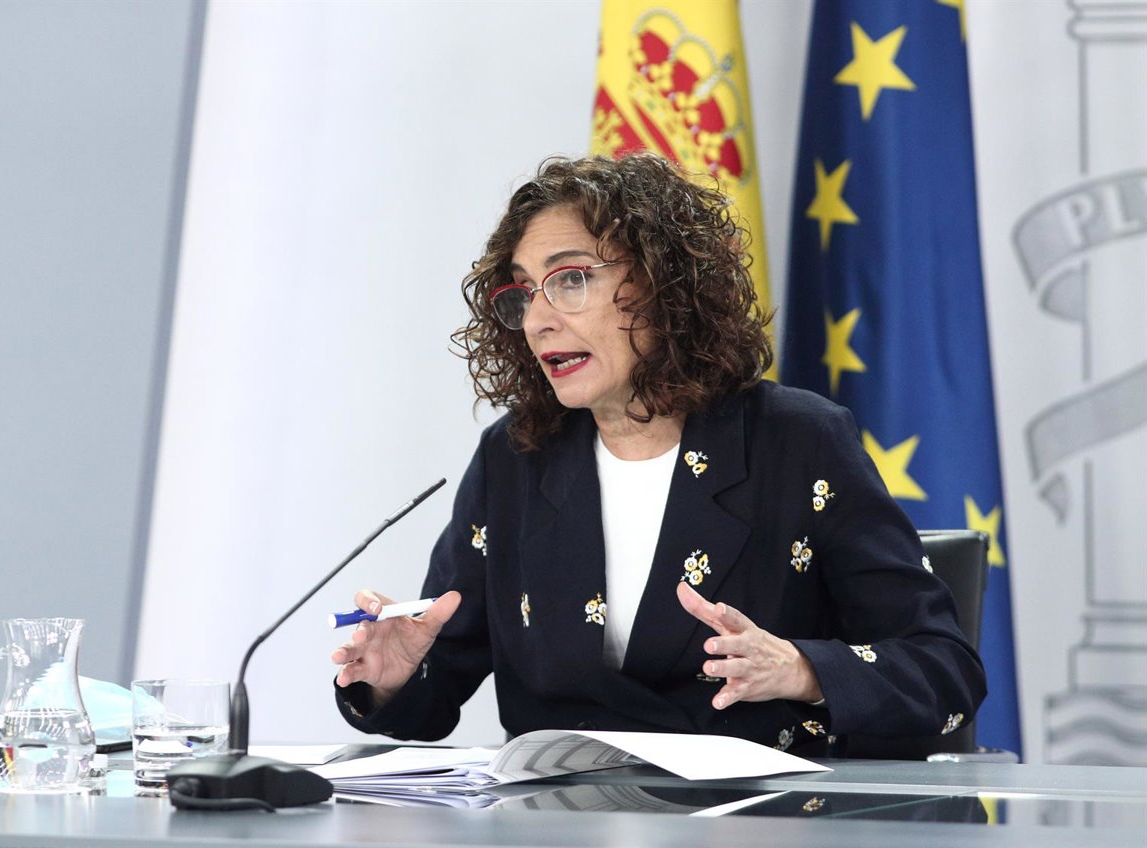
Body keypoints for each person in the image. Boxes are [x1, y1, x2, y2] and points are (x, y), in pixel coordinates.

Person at [331, 153, 985, 754]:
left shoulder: (798, 442)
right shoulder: (516, 457)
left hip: (753, 818)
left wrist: (801, 669)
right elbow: (434, 691)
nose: (537, 320)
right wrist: (393, 678)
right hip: (554, 819)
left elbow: (944, 672)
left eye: (570, 279)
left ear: (665, 283)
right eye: (524, 293)